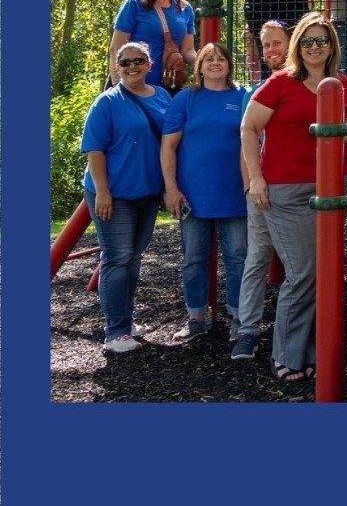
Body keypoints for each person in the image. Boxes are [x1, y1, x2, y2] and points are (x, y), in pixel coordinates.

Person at [240, 12, 347, 383]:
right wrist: (255, 178)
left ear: (331, 47)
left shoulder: (340, 84)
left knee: (325, 272)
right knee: (302, 272)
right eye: (307, 41)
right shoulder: (280, 83)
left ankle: (313, 350)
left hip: (329, 188)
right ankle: (287, 356)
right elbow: (248, 126)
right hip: (286, 191)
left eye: (321, 40)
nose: (314, 47)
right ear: (297, 47)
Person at [80, 40, 170, 353]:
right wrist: (103, 191)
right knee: (117, 258)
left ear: (149, 64)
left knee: (133, 258)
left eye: (138, 61)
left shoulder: (161, 96)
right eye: (126, 62)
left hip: (146, 191)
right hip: (113, 194)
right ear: (118, 68)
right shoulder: (107, 102)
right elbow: (94, 148)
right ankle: (115, 330)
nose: (132, 67)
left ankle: (126, 320)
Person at [160, 42, 248, 343]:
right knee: (194, 258)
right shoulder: (186, 99)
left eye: (220, 58)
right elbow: (168, 147)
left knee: (238, 257)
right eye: (208, 59)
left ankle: (239, 316)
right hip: (192, 196)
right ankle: (197, 316)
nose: (214, 63)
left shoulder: (243, 97)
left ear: (229, 64)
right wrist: (171, 189)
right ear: (199, 66)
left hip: (235, 194)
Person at [230, 19, 291, 360]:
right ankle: (248, 329)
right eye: (266, 45)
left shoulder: (303, 83)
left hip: (296, 186)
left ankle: (297, 330)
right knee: (257, 257)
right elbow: (247, 137)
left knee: (301, 263)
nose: (271, 50)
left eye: (277, 43)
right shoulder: (255, 92)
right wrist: (251, 182)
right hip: (264, 184)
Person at [109, 0, 196, 93]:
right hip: (135, 86)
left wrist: (205, 61)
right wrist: (118, 87)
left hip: (169, 87)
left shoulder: (185, 9)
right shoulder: (134, 5)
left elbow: (187, 50)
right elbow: (115, 48)